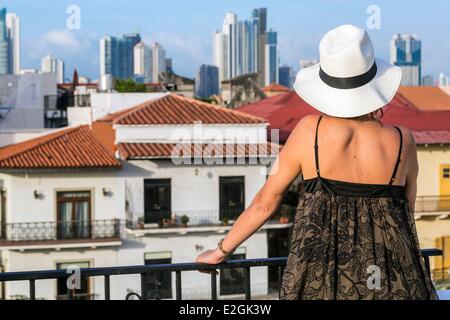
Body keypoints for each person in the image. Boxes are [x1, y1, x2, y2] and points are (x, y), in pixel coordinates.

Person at [196, 24, 438, 300]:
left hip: (323, 277)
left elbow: (265, 203)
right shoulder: (403, 140)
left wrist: (222, 250)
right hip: (392, 277)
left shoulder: (309, 131)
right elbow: (405, 213)